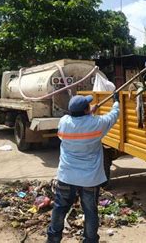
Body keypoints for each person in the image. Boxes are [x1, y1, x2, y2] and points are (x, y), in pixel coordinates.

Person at [47, 93, 120, 243]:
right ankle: (90, 240)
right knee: (90, 211)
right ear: (86, 110)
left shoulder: (64, 122)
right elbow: (113, 116)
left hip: (67, 176)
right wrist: (116, 102)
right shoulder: (97, 124)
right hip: (89, 179)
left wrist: (88, 113)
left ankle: (53, 239)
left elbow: (79, 121)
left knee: (60, 208)